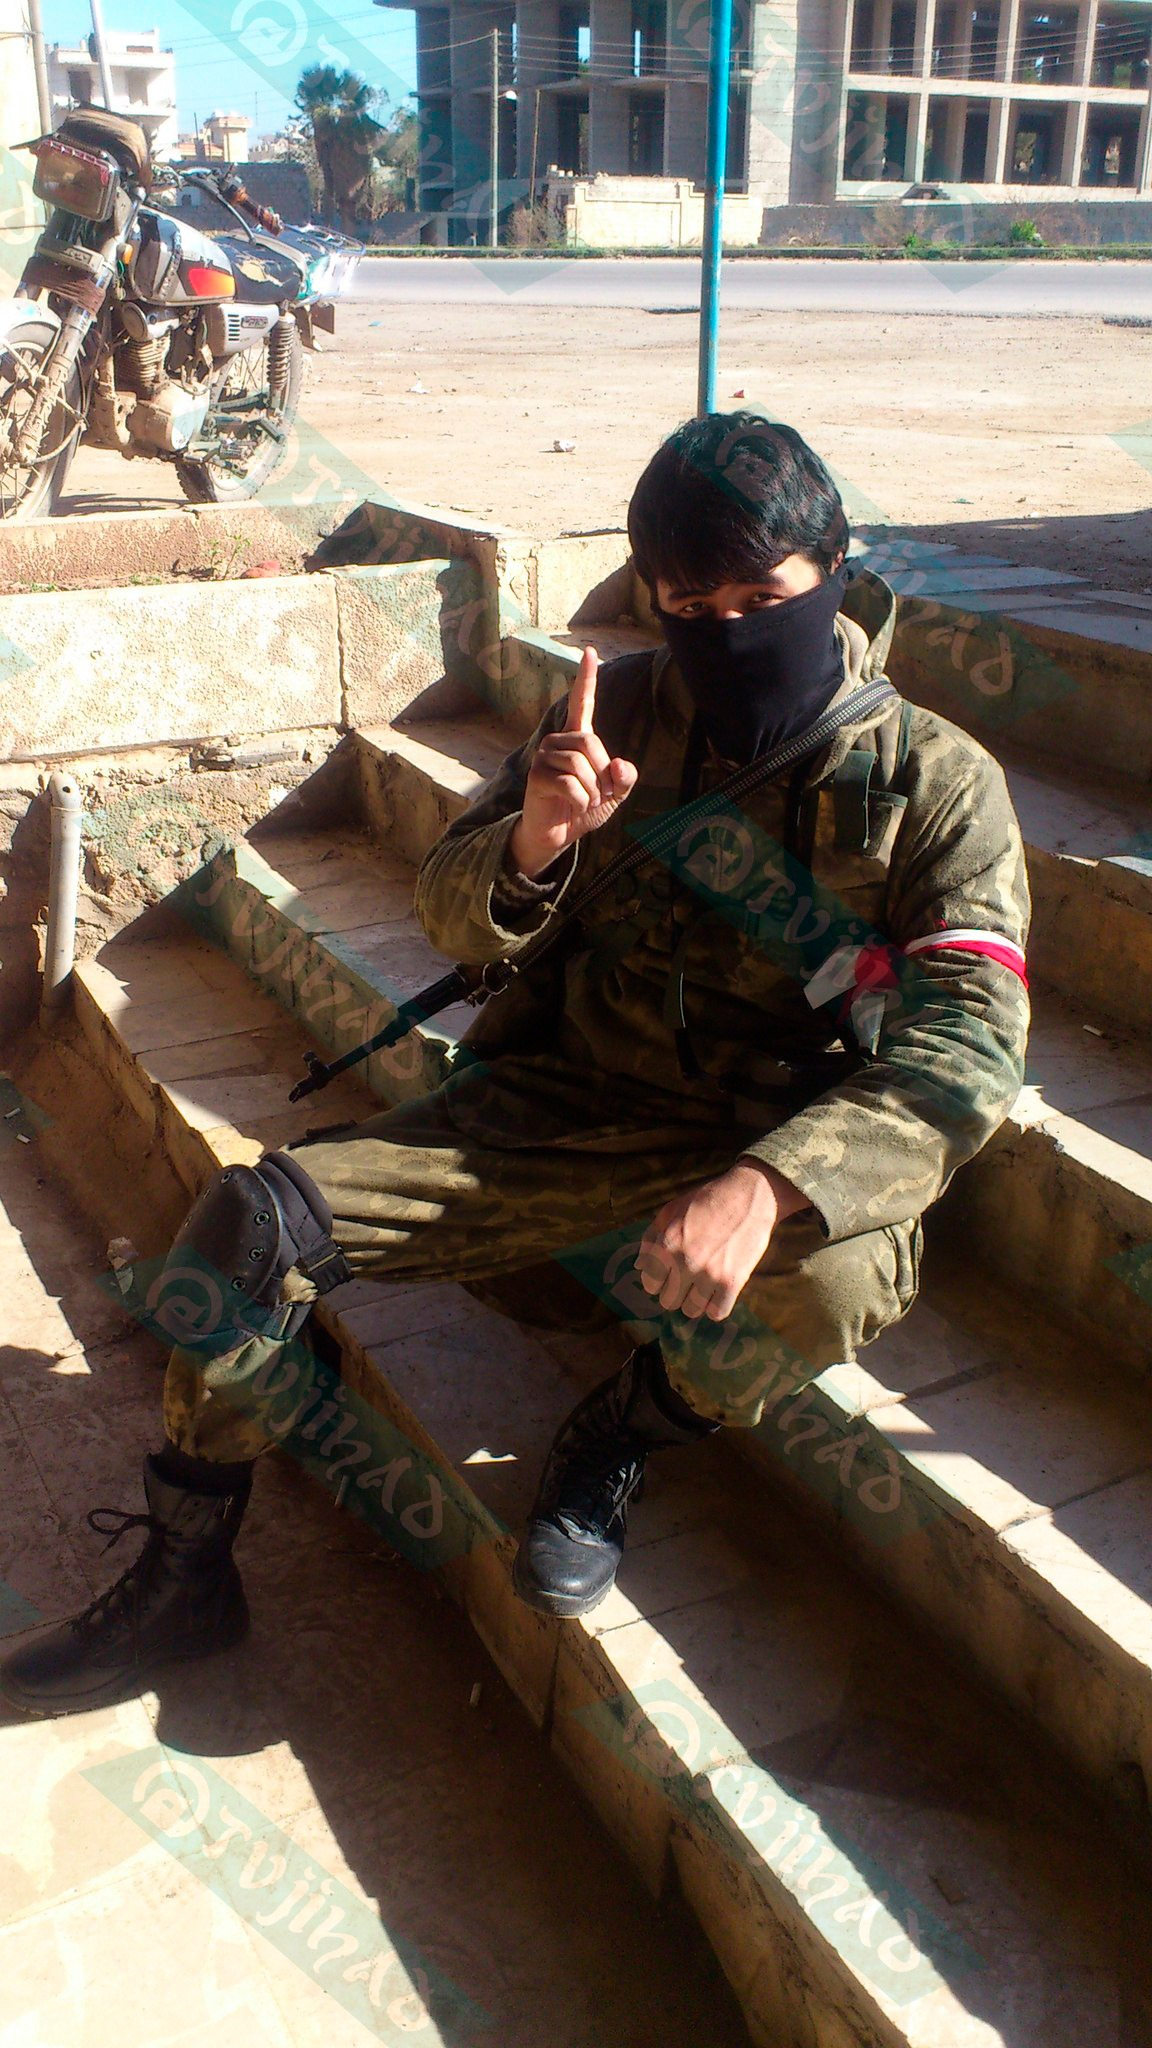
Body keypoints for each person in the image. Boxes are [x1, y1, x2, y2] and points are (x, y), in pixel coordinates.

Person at [0, 414, 1030, 1715]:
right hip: (568, 1102)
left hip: (773, 1134)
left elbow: (970, 1042)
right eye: (690, 606)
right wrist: (535, 846)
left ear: (834, 569)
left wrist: (771, 1183)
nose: (725, 631)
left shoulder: (936, 782)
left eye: (761, 599)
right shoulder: (618, 714)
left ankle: (627, 1429)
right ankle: (188, 1572)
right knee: (248, 1228)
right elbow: (448, 912)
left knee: (829, 1285)